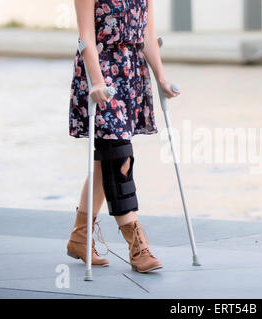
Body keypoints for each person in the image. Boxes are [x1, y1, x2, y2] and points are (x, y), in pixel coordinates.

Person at [67, 0, 179, 273]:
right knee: (119, 157)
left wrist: (161, 78)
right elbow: (86, 38)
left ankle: (80, 237)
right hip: (101, 73)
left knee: (104, 160)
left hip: (131, 74)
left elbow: (148, 37)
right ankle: (136, 242)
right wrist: (96, 81)